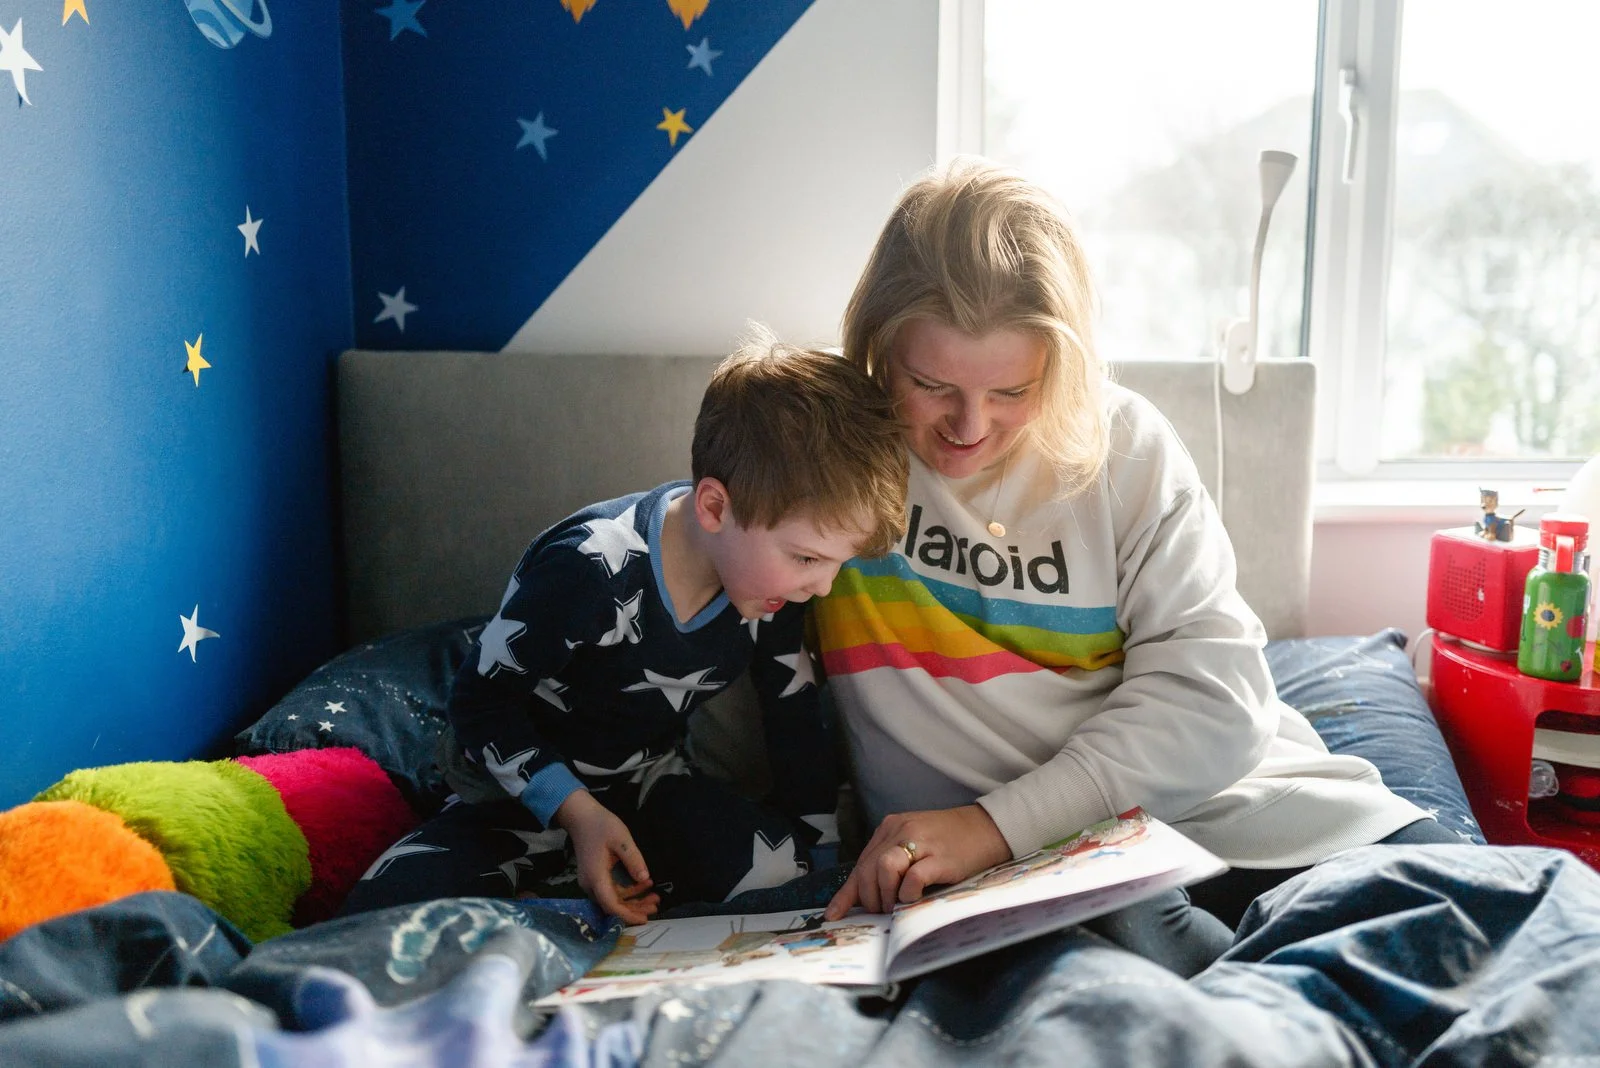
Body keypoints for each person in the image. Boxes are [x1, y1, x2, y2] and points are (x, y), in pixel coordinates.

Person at [816, 158, 1457, 974]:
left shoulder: (1125, 446)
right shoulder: (825, 450)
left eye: (1012, 392)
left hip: (1247, 812)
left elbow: (1218, 703)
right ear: (878, 346)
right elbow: (703, 536)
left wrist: (994, 826)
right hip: (1059, 878)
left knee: (1475, 917)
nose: (969, 427)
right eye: (931, 384)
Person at [346, 331, 907, 923]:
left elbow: (794, 717)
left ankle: (575, 891)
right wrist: (577, 814)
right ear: (715, 508)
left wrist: (820, 863)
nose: (823, 587)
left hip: (644, 785)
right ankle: (556, 888)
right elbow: (480, 704)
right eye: (808, 558)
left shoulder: (773, 589)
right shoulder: (590, 568)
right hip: (511, 793)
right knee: (383, 908)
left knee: (779, 871)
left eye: (836, 563)